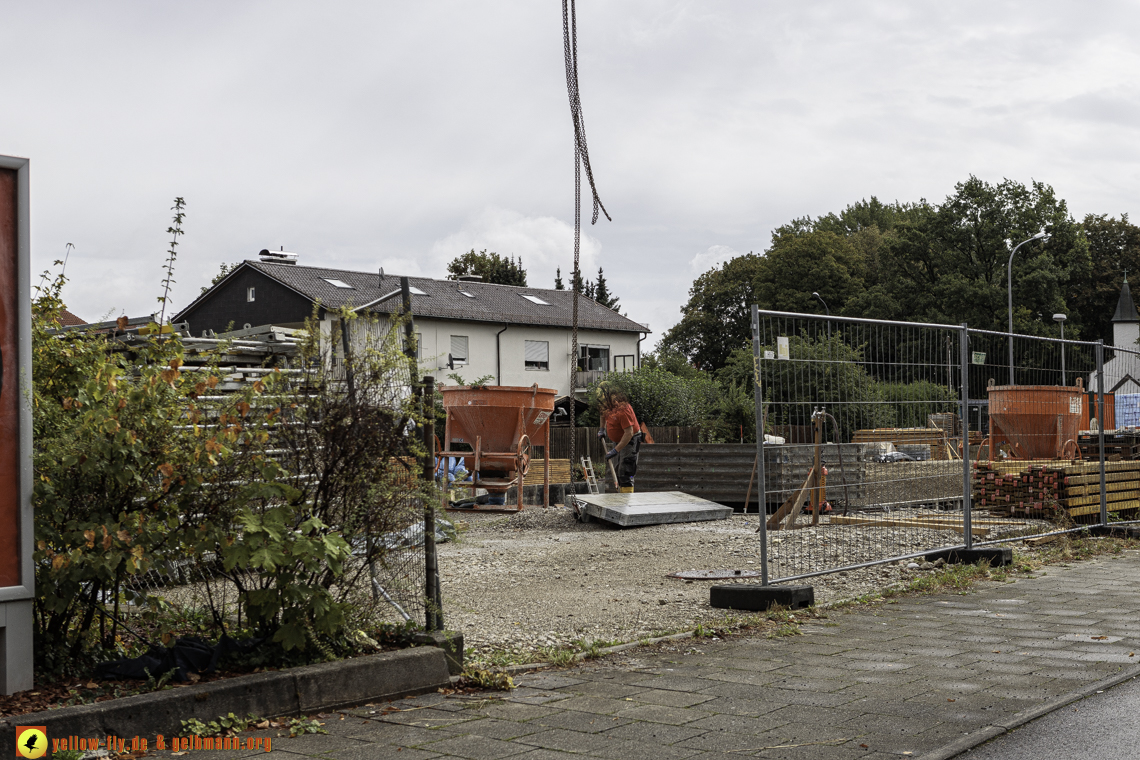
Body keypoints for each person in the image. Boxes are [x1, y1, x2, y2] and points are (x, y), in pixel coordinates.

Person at [597, 382, 643, 493]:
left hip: (631, 439)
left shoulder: (623, 410)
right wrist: (602, 429)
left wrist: (615, 450)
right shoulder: (605, 404)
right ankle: (621, 496)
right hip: (618, 439)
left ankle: (627, 501)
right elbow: (603, 414)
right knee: (618, 469)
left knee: (626, 470)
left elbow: (629, 433)